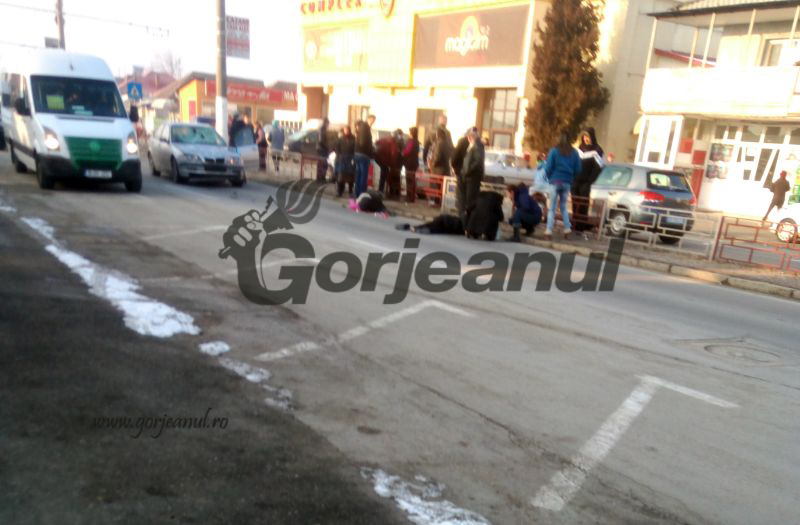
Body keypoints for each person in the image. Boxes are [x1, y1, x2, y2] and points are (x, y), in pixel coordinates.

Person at [544, 133, 582, 240]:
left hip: (555, 181)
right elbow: (578, 169)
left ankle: (549, 230)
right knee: (563, 207)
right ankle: (567, 228)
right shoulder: (574, 153)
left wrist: (550, 177)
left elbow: (548, 168)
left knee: (552, 208)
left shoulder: (554, 151)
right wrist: (571, 177)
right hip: (567, 182)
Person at [461, 127, 485, 225]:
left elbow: (478, 161)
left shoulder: (478, 145)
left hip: (473, 176)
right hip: (469, 176)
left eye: (469, 136)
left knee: (471, 200)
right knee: (468, 200)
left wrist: (468, 170)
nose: (468, 138)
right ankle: (467, 221)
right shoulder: (473, 145)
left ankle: (470, 222)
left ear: (472, 136)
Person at [354, 115, 376, 197]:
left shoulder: (362, 127)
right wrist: (371, 149)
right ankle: (361, 193)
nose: (373, 122)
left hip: (358, 153)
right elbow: (363, 142)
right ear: (368, 119)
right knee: (363, 175)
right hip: (363, 154)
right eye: (372, 120)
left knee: (359, 174)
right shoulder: (365, 127)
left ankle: (357, 193)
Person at [451, 129, 471, 219]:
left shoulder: (462, 141)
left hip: (461, 171)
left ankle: (461, 215)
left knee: (461, 194)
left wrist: (455, 167)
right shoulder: (477, 144)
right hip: (471, 173)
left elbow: (456, 156)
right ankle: (468, 215)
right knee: (469, 195)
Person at [335, 125, 356, 197]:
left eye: (347, 130)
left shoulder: (353, 139)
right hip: (342, 159)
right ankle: (340, 191)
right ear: (343, 131)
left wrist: (353, 158)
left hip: (350, 158)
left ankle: (350, 190)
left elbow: (355, 149)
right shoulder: (340, 139)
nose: (346, 131)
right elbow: (337, 149)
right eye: (345, 130)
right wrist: (339, 156)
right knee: (341, 176)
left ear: (349, 130)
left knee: (351, 176)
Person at [395, 214, 463, 235]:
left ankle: (412, 227)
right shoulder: (462, 227)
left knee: (431, 225)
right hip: (447, 223)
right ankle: (415, 228)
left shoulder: (462, 220)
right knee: (436, 229)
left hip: (444, 219)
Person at [402, 127, 420, 203]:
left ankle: (409, 196)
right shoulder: (417, 141)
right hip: (415, 162)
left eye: (409, 132)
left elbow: (407, 151)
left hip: (409, 162)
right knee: (413, 179)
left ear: (411, 133)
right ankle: (412, 196)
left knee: (409, 179)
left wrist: (402, 153)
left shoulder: (411, 141)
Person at [316, 117, 330, 182]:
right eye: (328, 124)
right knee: (323, 163)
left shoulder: (321, 129)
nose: (328, 125)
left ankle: (320, 177)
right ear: (326, 123)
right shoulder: (322, 130)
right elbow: (321, 141)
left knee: (321, 163)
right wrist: (327, 147)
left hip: (320, 148)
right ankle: (321, 177)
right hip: (322, 149)